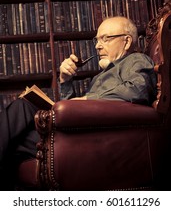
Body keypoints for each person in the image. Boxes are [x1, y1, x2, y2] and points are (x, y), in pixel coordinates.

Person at [0, 16, 157, 189]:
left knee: (22, 109)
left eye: (105, 38)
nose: (97, 45)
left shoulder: (136, 60)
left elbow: (138, 89)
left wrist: (89, 99)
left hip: (98, 141)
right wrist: (66, 80)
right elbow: (74, 117)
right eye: (97, 40)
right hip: (80, 135)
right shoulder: (100, 77)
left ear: (126, 41)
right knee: (14, 148)